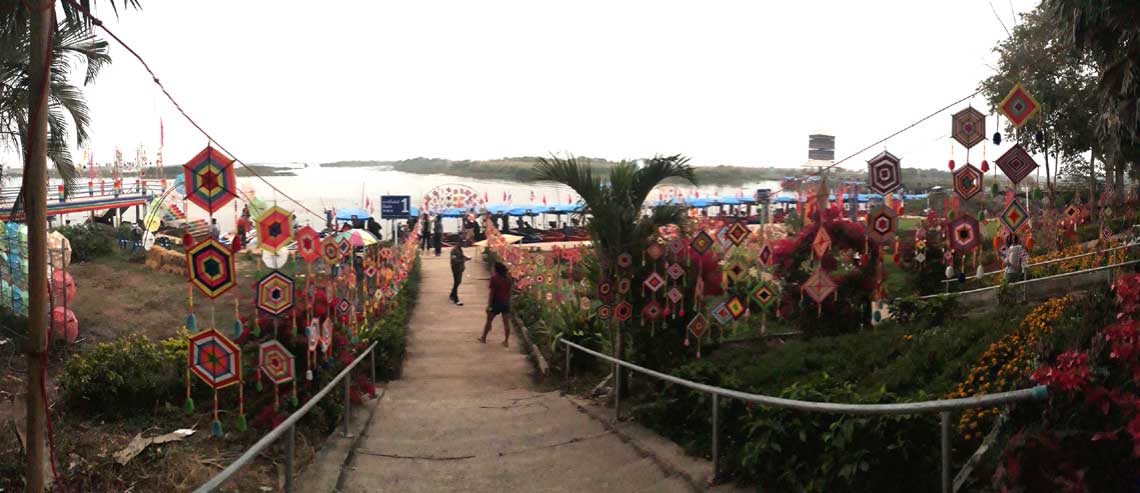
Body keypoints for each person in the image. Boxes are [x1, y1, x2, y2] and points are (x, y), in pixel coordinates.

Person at [480, 262, 512, 347]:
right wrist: (509, 301)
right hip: (505, 303)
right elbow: (509, 292)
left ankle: (483, 338)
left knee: (489, 320)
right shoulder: (508, 278)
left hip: (496, 302)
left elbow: (492, 293)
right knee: (506, 323)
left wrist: (489, 305)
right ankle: (506, 341)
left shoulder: (494, 278)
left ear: (496, 269)